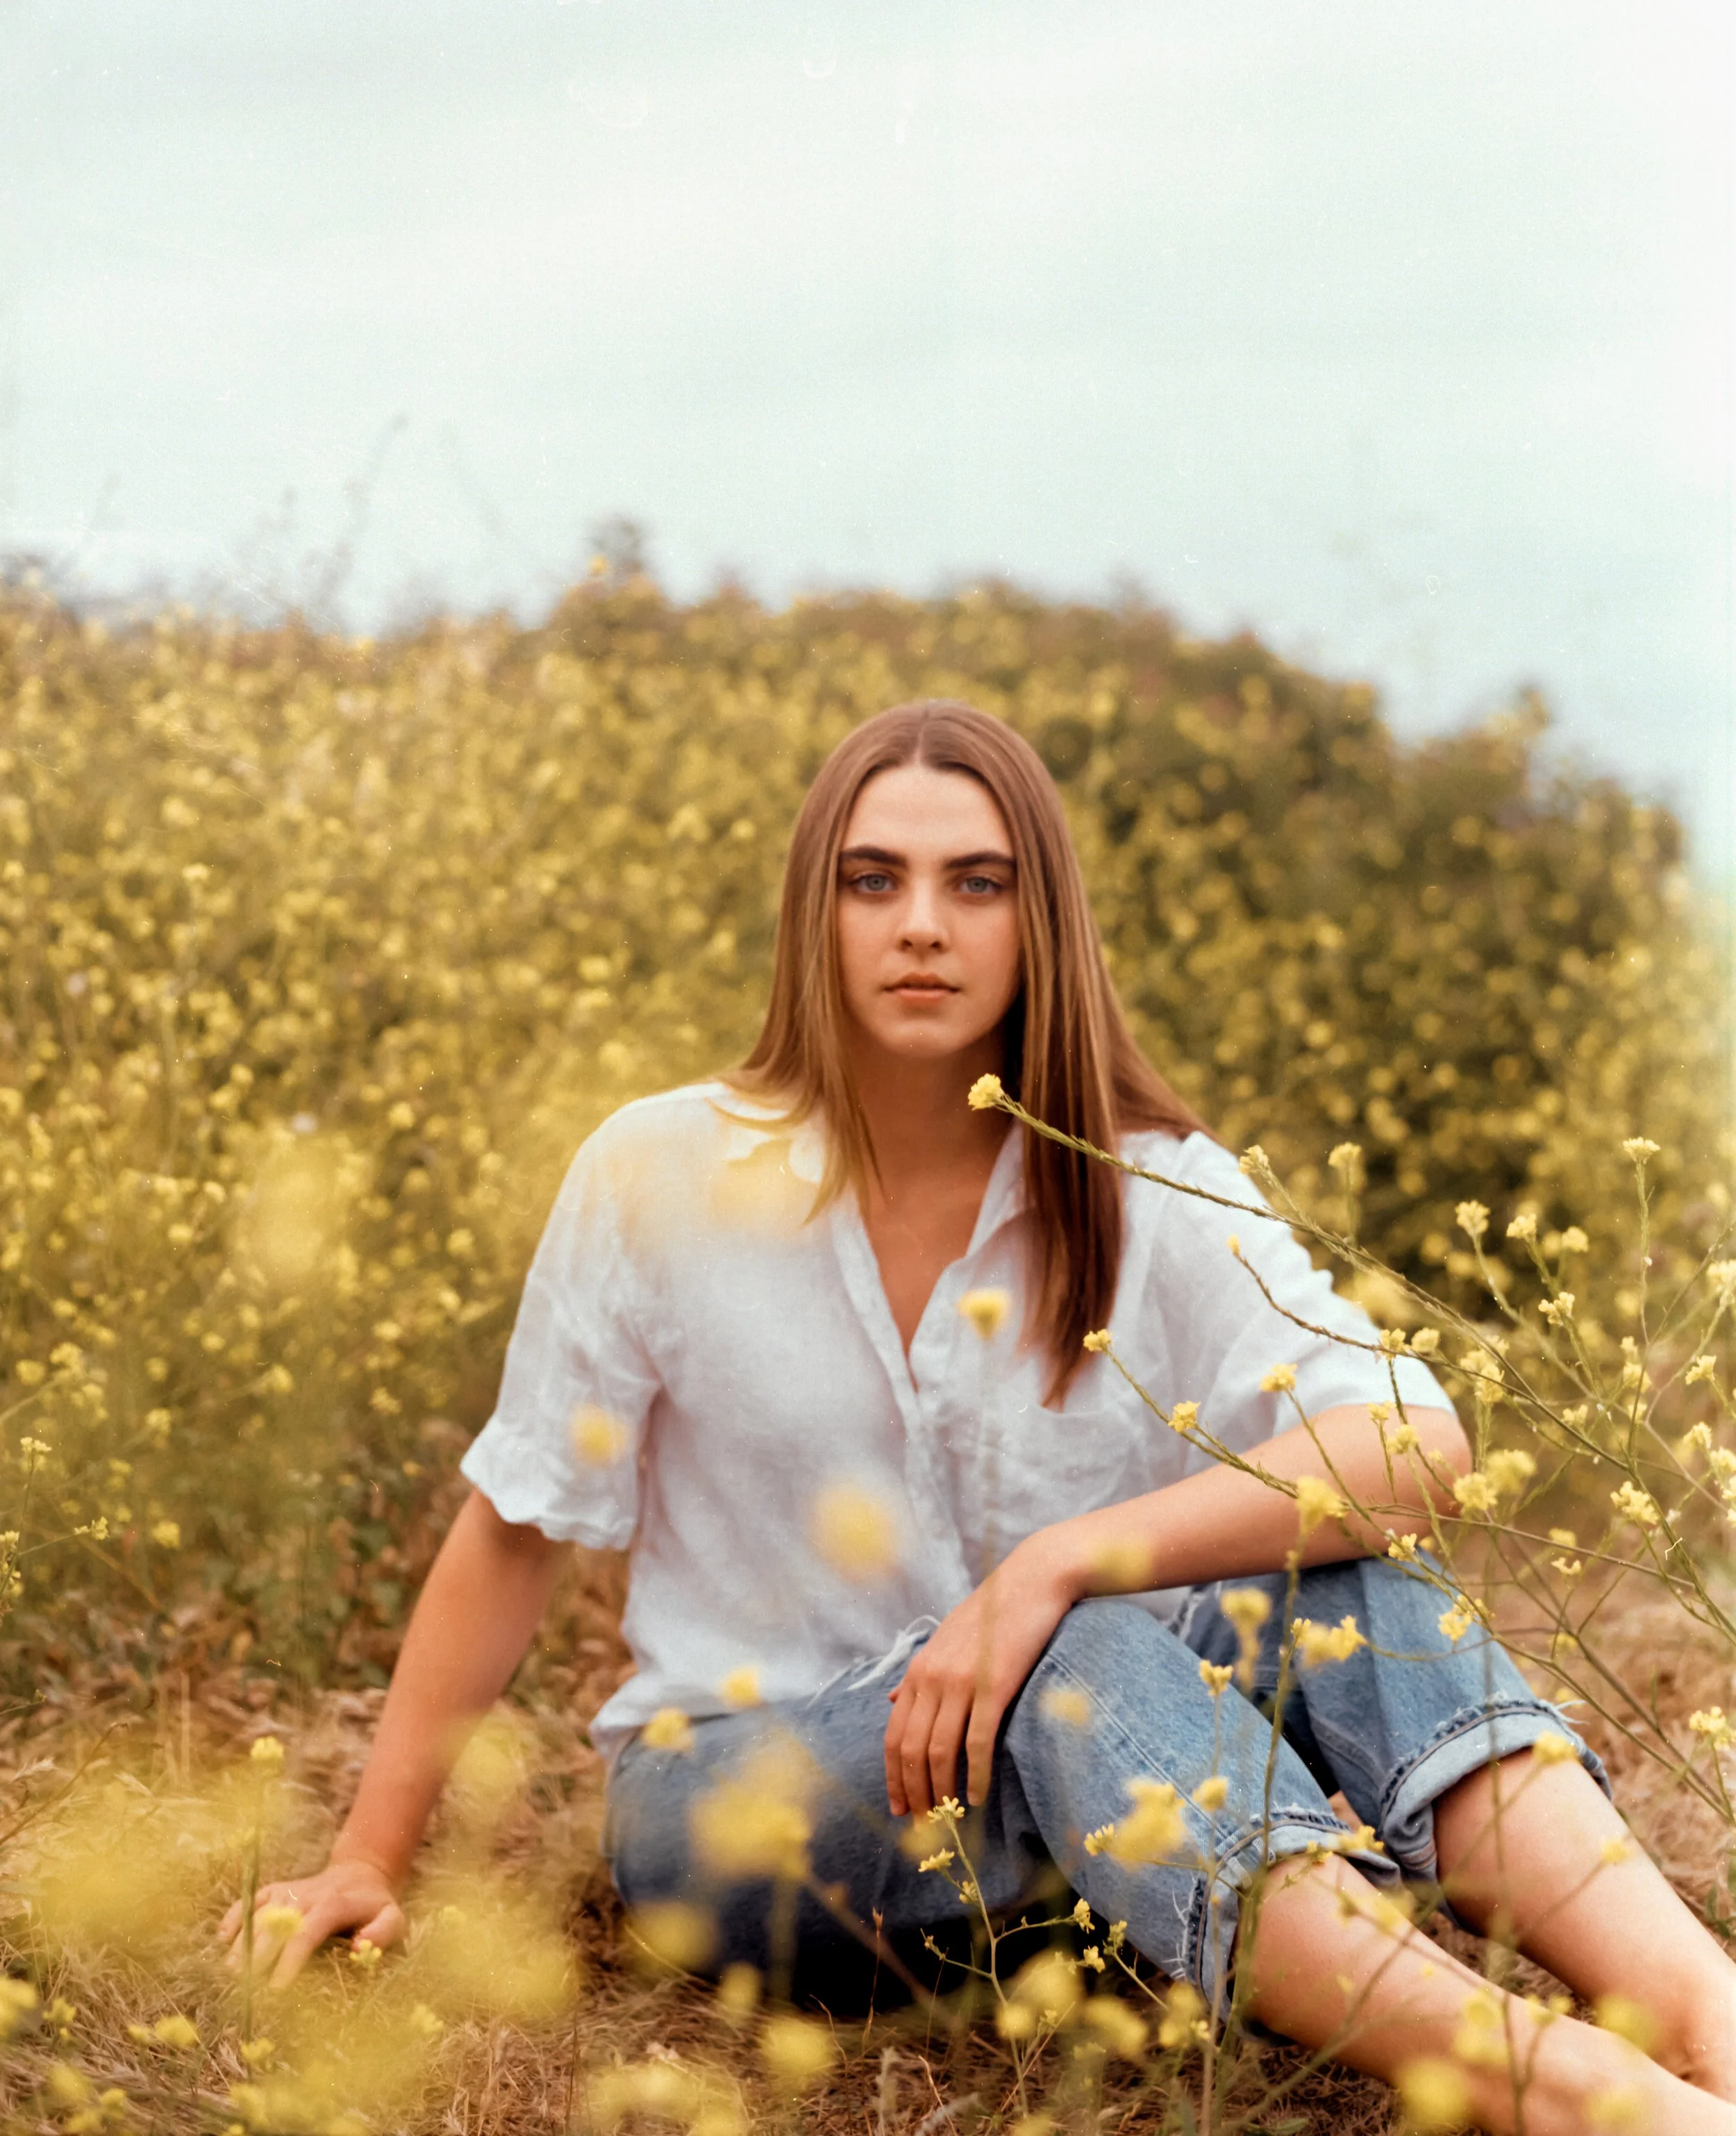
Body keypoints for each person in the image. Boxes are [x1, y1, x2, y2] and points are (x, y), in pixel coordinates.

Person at [222, 701, 1736, 2133]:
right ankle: (1564, 2096)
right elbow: (515, 1528)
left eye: (976, 882)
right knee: (1072, 1660)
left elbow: (1415, 1445)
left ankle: (1704, 2020)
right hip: (744, 1804)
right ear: (814, 915)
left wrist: (1054, 1562)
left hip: (1101, 1829)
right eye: (872, 880)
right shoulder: (656, 1171)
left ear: (1038, 919)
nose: (921, 925)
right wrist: (366, 1857)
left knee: (1348, 1593)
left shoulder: (1147, 1180)